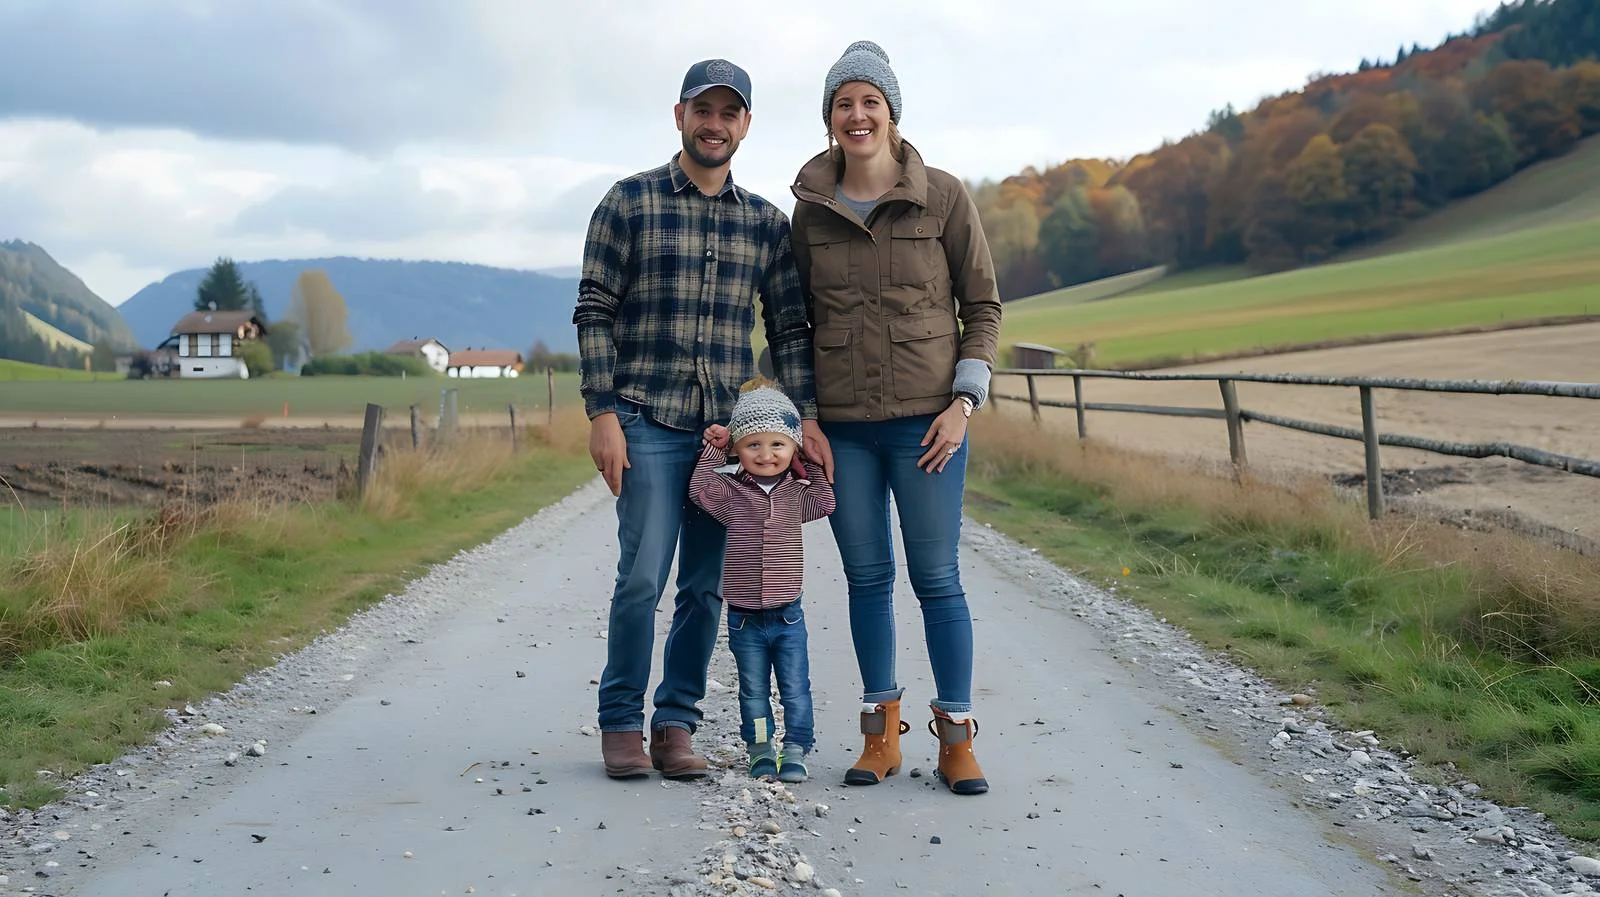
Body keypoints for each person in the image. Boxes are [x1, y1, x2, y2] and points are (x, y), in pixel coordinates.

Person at [574, 58, 833, 781]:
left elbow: (789, 331)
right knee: (643, 578)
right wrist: (602, 413)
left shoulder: (765, 224)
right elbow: (594, 309)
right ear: (680, 115)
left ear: (745, 125)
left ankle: (675, 723)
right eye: (703, 110)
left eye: (730, 113)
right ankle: (621, 720)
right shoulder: (627, 203)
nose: (714, 124)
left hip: (727, 439)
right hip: (646, 418)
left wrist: (802, 417)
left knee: (706, 587)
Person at [788, 40, 1003, 795]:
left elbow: (982, 307)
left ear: (892, 113)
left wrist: (964, 402)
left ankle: (956, 738)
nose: (857, 115)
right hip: (844, 429)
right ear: (829, 120)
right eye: (843, 103)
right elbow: (794, 321)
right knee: (867, 576)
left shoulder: (943, 197)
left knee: (937, 577)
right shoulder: (808, 213)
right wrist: (806, 418)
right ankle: (879, 737)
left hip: (928, 429)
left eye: (869, 102)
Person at [689, 378, 835, 783]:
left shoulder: (798, 493)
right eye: (753, 445)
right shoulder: (731, 491)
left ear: (792, 448)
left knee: (794, 688)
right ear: (738, 449)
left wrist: (812, 463)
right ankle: (760, 748)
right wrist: (714, 449)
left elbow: (827, 501)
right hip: (744, 618)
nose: (766, 455)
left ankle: (796, 748)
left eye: (777, 445)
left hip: (788, 616)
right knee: (753, 691)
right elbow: (699, 489)